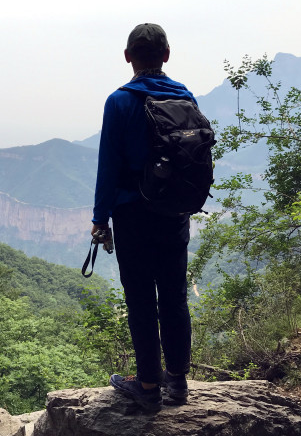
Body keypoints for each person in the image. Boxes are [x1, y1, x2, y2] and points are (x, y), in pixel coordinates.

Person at [91, 23, 195, 411]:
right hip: (174, 213)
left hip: (133, 214)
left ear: (127, 57)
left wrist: (100, 218)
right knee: (174, 296)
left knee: (140, 300)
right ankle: (178, 383)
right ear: (167, 55)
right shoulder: (185, 96)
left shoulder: (119, 102)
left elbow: (108, 165)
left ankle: (148, 386)